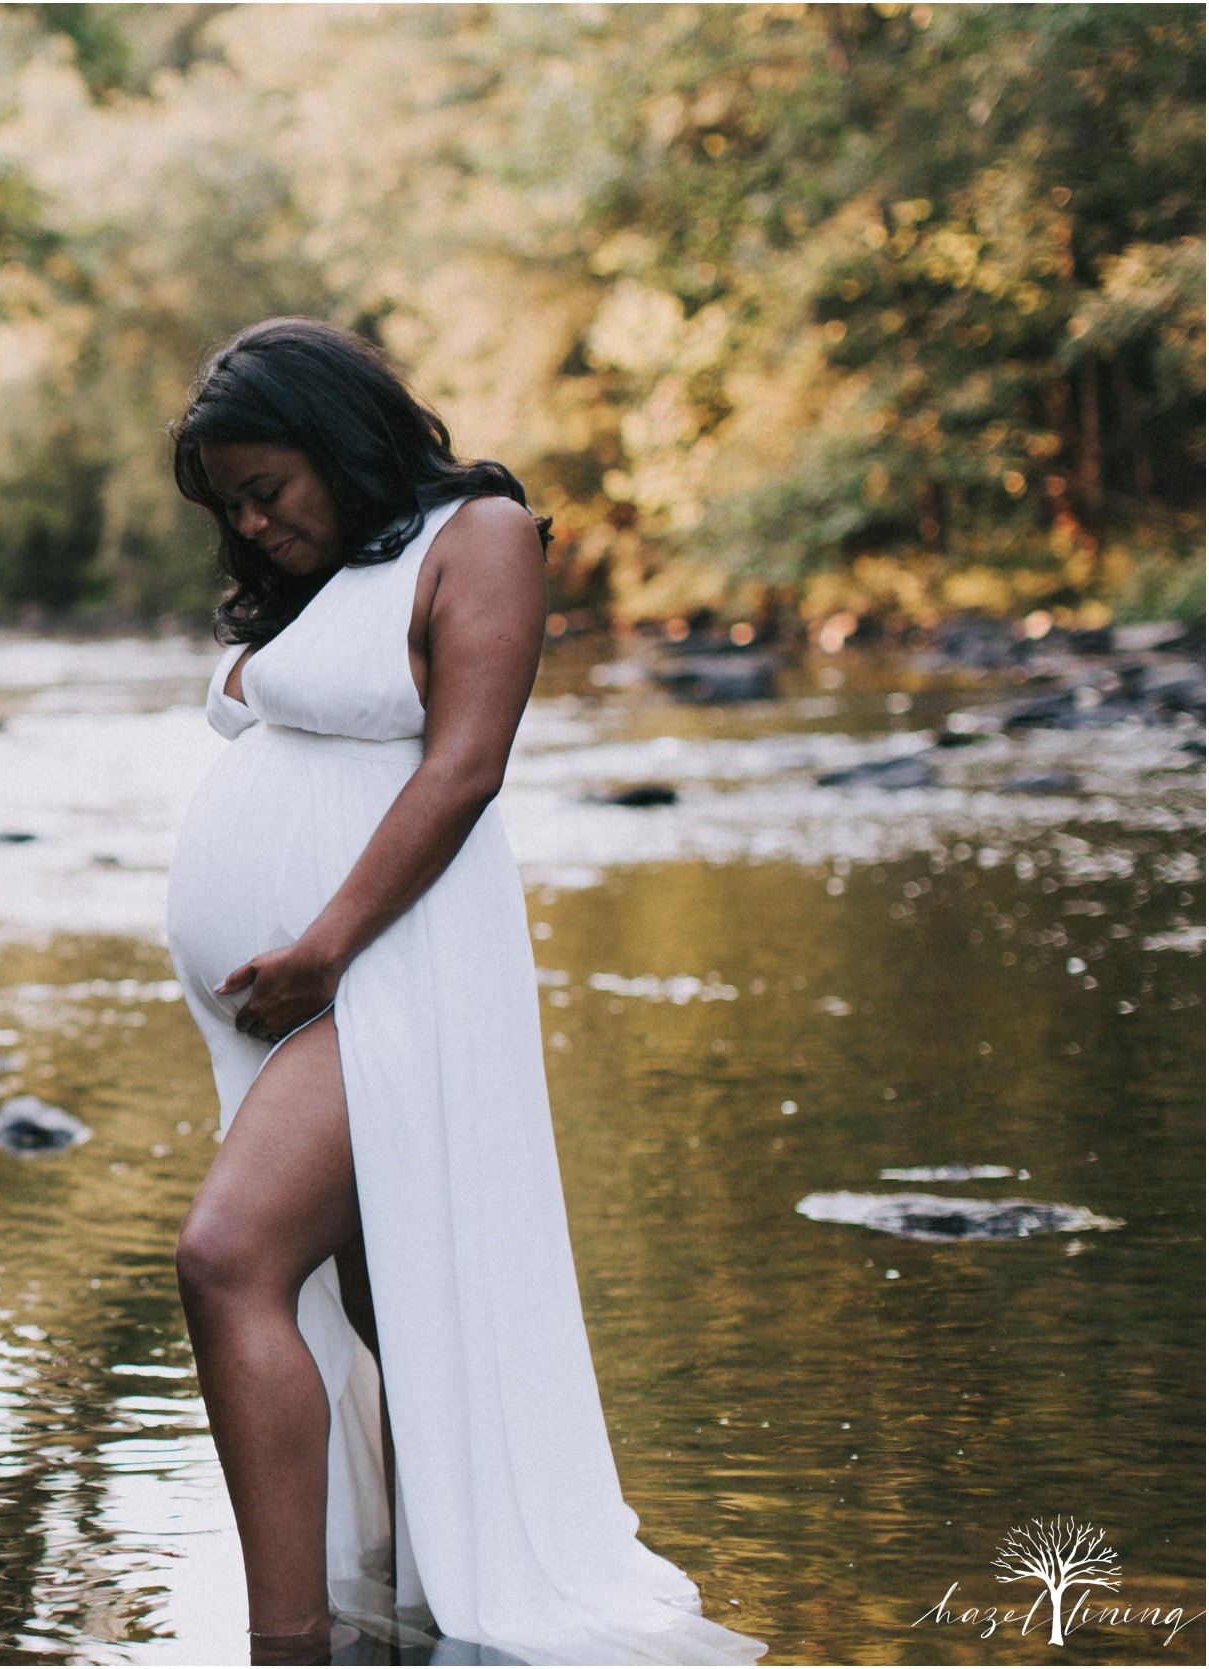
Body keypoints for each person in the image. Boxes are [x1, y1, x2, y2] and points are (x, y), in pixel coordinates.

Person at [160, 318, 769, 1667]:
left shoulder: (482, 533)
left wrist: (321, 944)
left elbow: (464, 769)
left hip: (390, 977)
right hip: (311, 997)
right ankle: (408, 1587)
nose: (253, 524)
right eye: (234, 506)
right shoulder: (329, 579)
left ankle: (287, 1642)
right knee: (391, 1302)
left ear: (339, 436)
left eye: (269, 488)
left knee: (226, 1257)